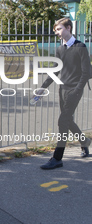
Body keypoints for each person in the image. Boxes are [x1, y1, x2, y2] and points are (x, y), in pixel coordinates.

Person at [40, 18, 91, 170]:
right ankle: (84, 141)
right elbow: (55, 71)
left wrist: (77, 89)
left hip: (74, 90)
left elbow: (87, 72)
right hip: (62, 89)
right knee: (67, 120)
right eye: (56, 30)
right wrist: (42, 87)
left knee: (63, 121)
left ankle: (57, 158)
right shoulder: (60, 49)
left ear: (69, 28)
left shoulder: (80, 47)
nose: (57, 32)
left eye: (59, 29)